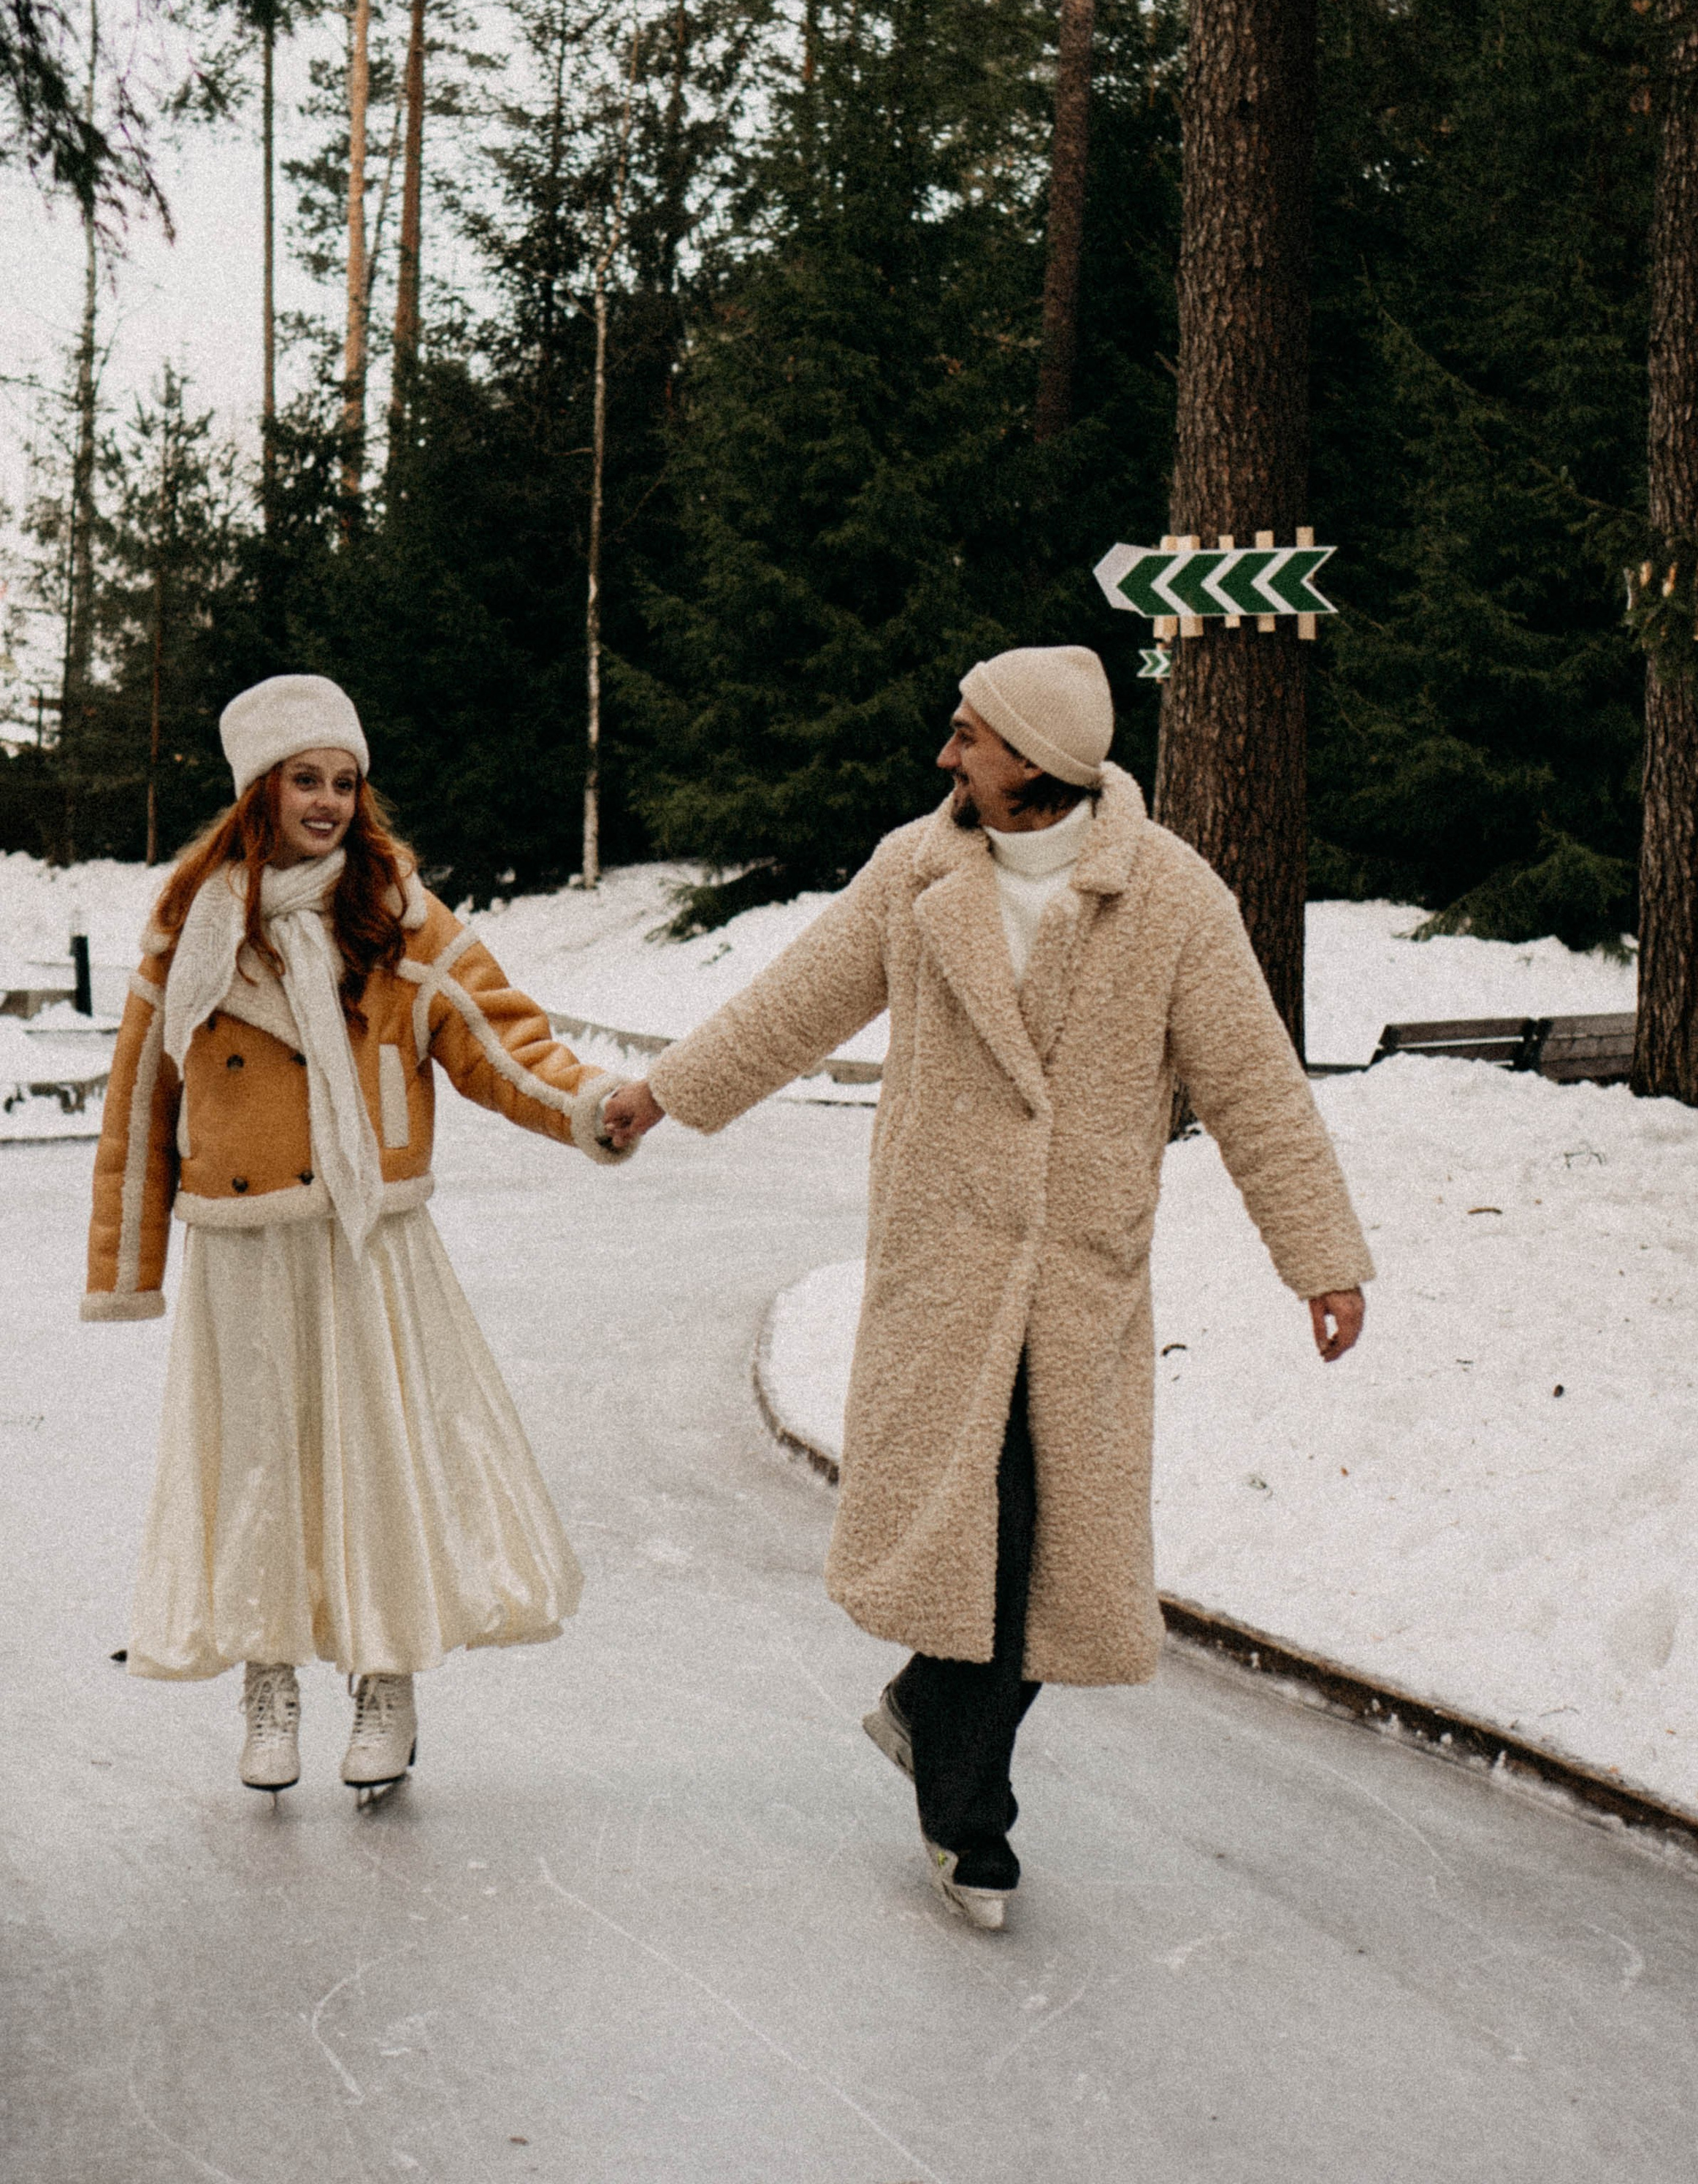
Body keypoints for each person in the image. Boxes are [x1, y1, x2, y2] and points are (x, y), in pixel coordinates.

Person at [602, 644, 1372, 1931]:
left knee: (1057, 1553)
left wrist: (1323, 1257)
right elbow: (799, 1001)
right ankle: (971, 1821)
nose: (944, 755)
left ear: (1038, 762)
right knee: (989, 1537)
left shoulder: (1173, 900)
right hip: (945, 1271)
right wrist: (665, 1091)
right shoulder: (920, 871)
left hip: (1080, 1281)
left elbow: (1254, 1087)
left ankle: (923, 1712)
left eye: (969, 735)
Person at [83, 675, 632, 1801]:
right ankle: (268, 1676)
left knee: (378, 1459)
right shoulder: (190, 928)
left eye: (345, 781)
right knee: (257, 1469)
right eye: (305, 780)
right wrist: (127, 1267)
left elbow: (496, 1038)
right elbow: (141, 1098)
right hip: (242, 1240)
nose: (328, 803)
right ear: (259, 791)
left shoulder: (397, 914)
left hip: (363, 1237)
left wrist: (584, 1105)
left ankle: (386, 1680)